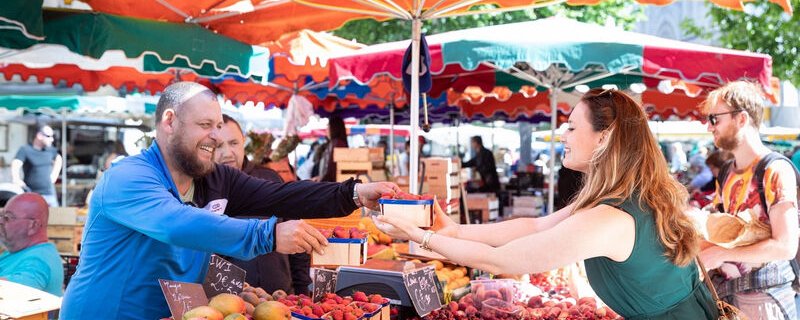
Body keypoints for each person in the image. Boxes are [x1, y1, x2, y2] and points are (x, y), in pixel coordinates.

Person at [60, 82, 399, 320]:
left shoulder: (215, 178)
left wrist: (352, 193)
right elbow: (175, 223)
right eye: (205, 125)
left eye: (219, 125)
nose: (216, 136)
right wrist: (267, 235)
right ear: (169, 122)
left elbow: (280, 195)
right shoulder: (128, 177)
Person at [375, 88, 718, 319]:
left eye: (571, 127)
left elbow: (501, 259)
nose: (562, 135)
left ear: (603, 138)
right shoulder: (625, 196)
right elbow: (535, 226)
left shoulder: (610, 217)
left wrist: (420, 237)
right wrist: (455, 230)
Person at [699, 81, 799, 319]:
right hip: (730, 297)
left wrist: (720, 254)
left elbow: (786, 246)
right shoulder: (726, 172)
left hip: (765, 299)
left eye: (714, 119)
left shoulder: (774, 170)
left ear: (741, 119)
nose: (709, 127)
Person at [214, 114, 311, 295]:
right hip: (229, 302)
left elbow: (298, 239)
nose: (227, 153)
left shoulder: (269, 179)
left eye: (233, 143)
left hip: (281, 297)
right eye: (218, 146)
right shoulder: (204, 190)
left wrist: (302, 290)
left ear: (243, 141)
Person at [0, 193, 64, 296]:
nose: (1, 221)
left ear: (33, 226)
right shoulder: (24, 251)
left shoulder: (37, 261)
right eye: (1, 216)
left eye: (7, 218)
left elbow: (12, 292)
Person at [11, 125, 62, 207]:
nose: (52, 139)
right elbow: (16, 163)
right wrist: (16, 178)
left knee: (54, 215)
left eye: (53, 136)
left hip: (49, 193)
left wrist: (54, 175)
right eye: (48, 136)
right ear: (39, 135)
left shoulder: (50, 150)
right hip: (30, 193)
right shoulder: (25, 149)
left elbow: (58, 159)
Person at [314, 115, 348, 182]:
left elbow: (332, 168)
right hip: (330, 183)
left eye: (328, 126)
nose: (326, 130)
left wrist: (322, 180)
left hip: (333, 184)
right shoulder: (334, 143)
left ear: (334, 128)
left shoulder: (337, 144)